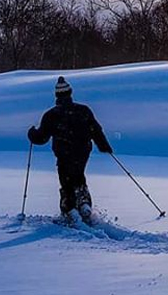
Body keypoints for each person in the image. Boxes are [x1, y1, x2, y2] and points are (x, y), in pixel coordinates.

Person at [28, 76, 113, 224]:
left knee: (66, 180)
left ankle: (70, 209)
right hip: (83, 152)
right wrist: (104, 146)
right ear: (70, 93)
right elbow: (96, 130)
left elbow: (41, 138)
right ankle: (84, 202)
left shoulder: (51, 115)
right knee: (79, 175)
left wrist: (32, 134)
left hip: (63, 153)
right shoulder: (83, 110)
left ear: (57, 95)